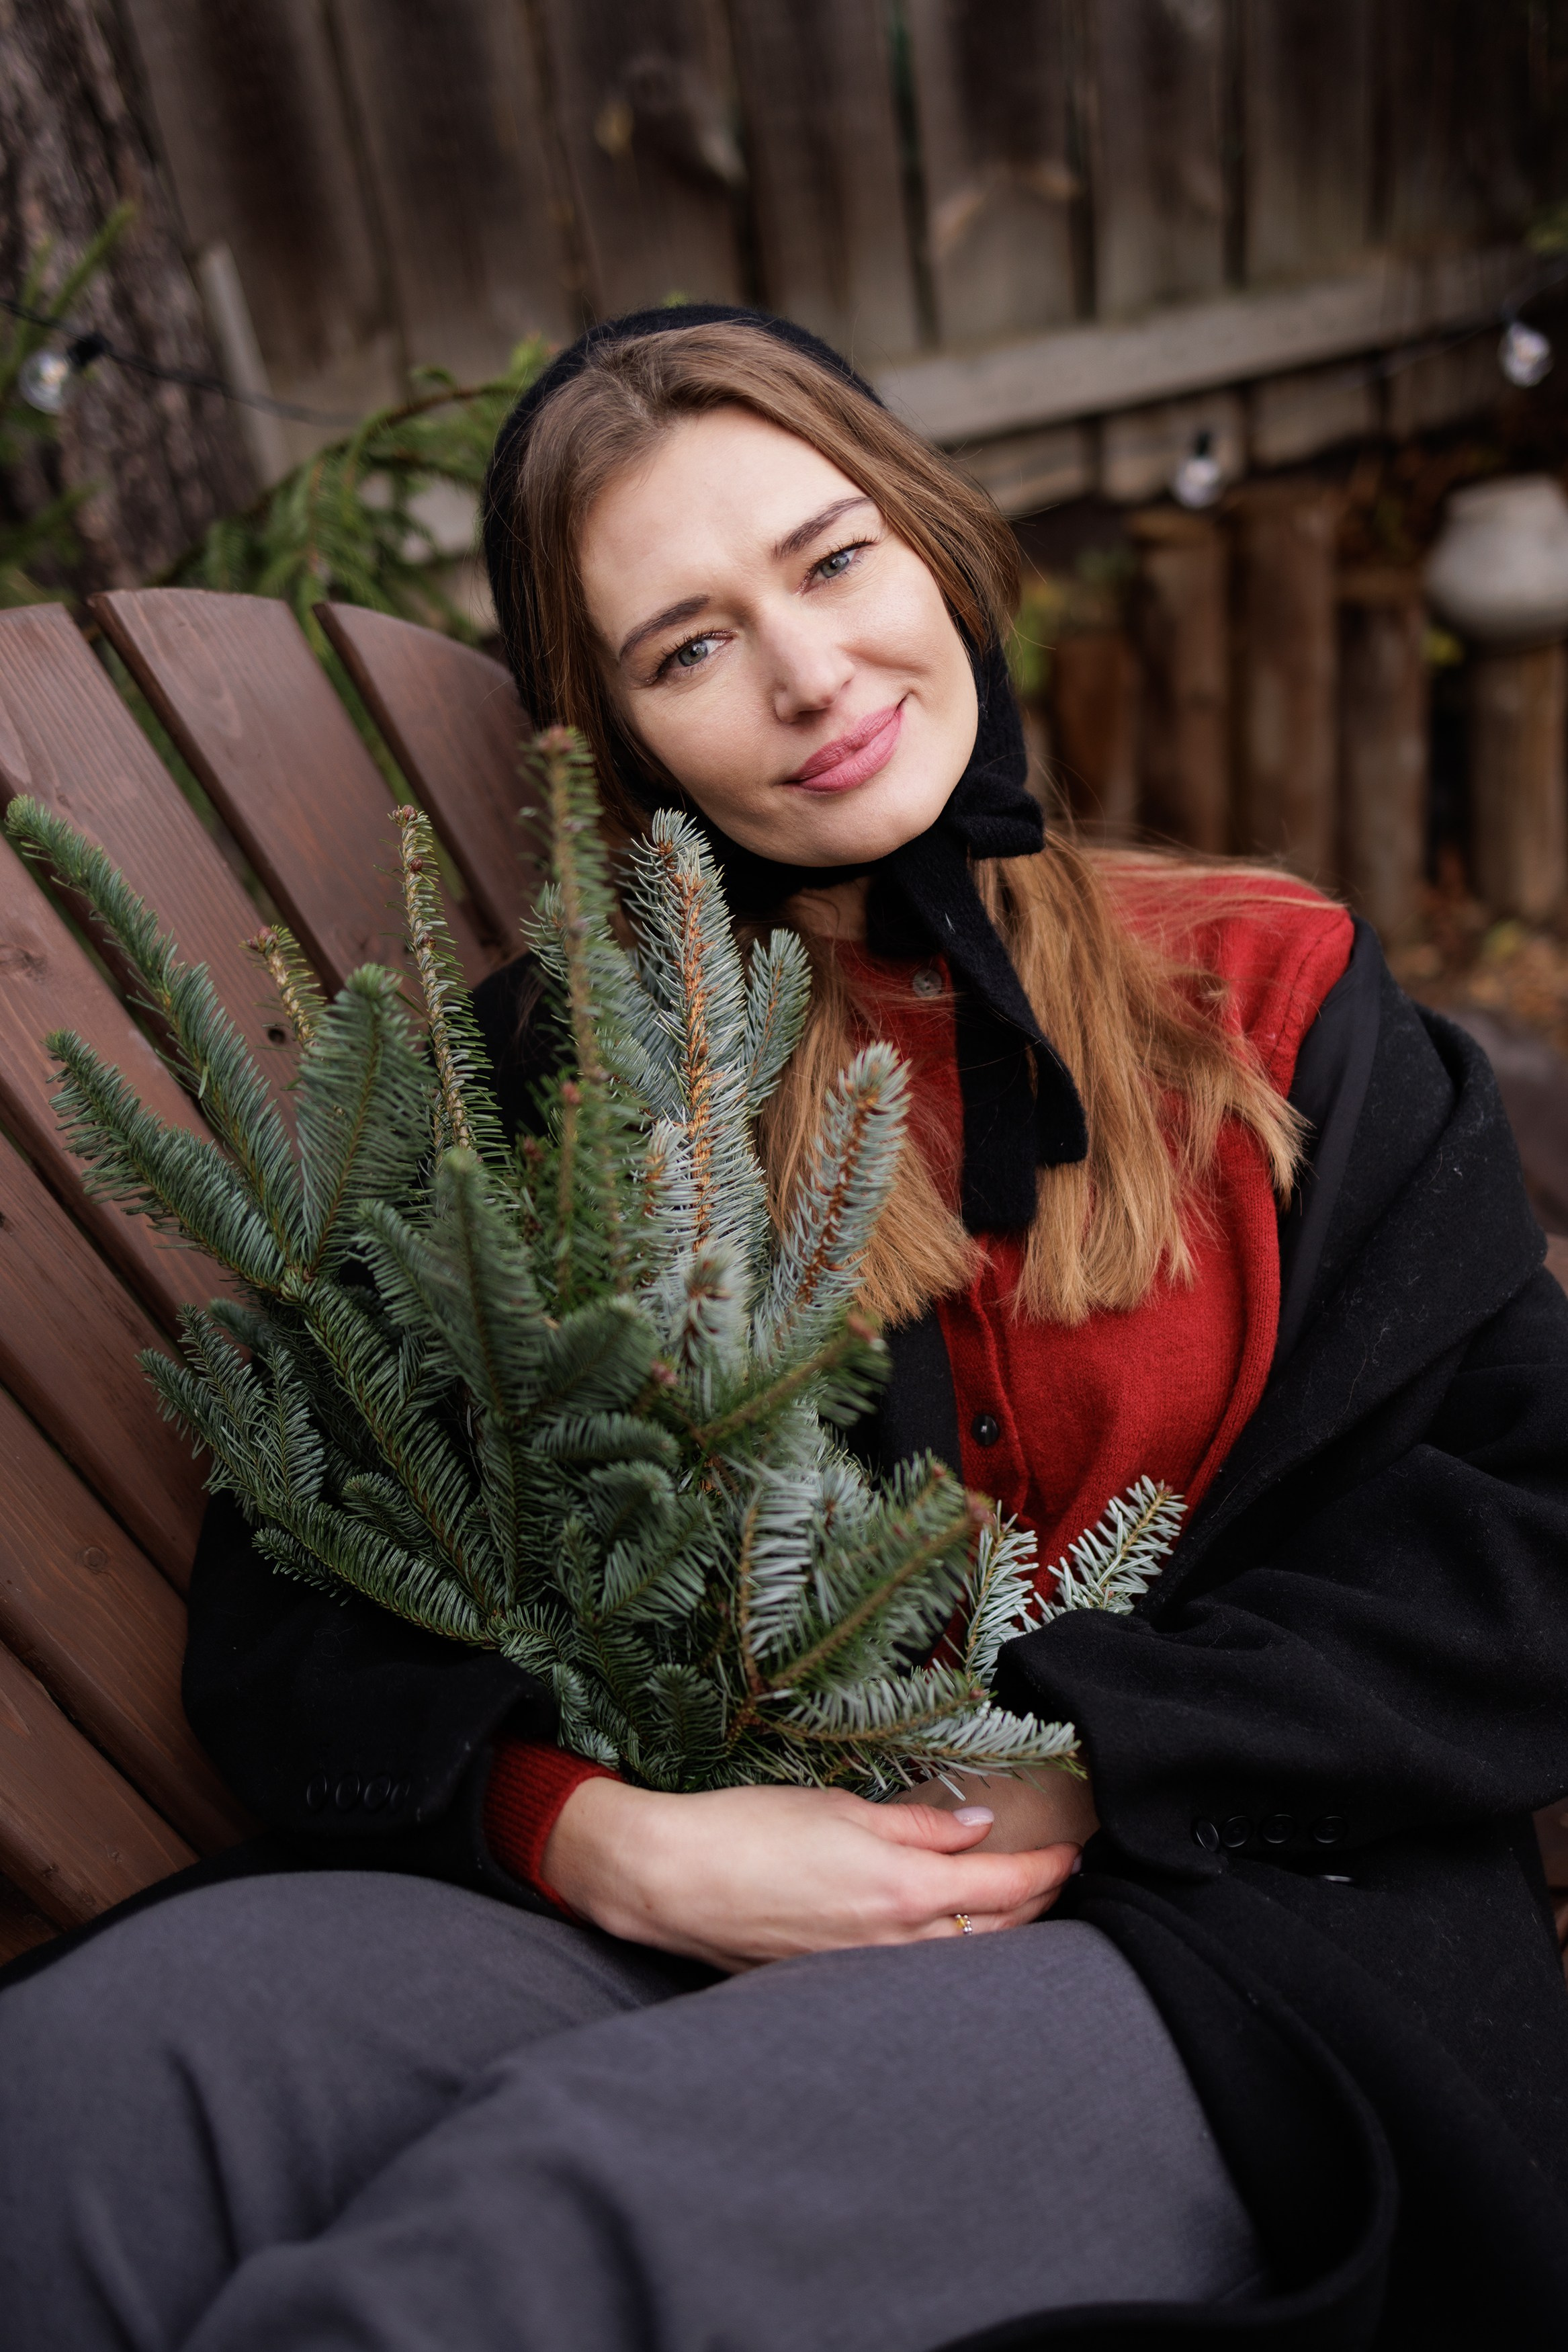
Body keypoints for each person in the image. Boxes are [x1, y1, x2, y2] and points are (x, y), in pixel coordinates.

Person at [3, 306, 1567, 2352]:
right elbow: (302, 1592)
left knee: (532, 2248)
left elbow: (1530, 1528)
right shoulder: (551, 1097)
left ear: (929, 541)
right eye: (690, 644)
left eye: (831, 560)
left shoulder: (1274, 1002)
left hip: (1228, 1931)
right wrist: (613, 1838)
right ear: (621, 739)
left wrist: (1090, 1759)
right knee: (101, 2094)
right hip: (680, 1910)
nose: (812, 673)